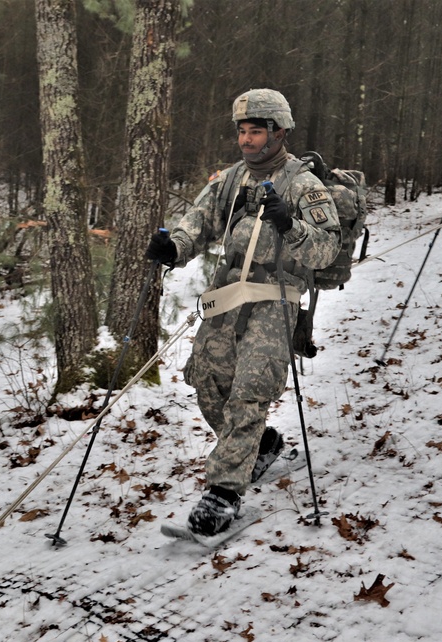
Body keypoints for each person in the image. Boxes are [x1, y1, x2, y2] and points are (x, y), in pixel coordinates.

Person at [145, 89, 341, 537]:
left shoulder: (303, 184)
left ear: (279, 132)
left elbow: (327, 249)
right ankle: (264, 444)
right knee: (208, 383)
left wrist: (289, 224)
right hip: (228, 292)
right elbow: (198, 221)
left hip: (276, 295)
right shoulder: (230, 180)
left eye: (256, 131)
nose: (247, 140)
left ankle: (224, 493)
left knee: (250, 387)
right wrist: (173, 247)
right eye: (243, 131)